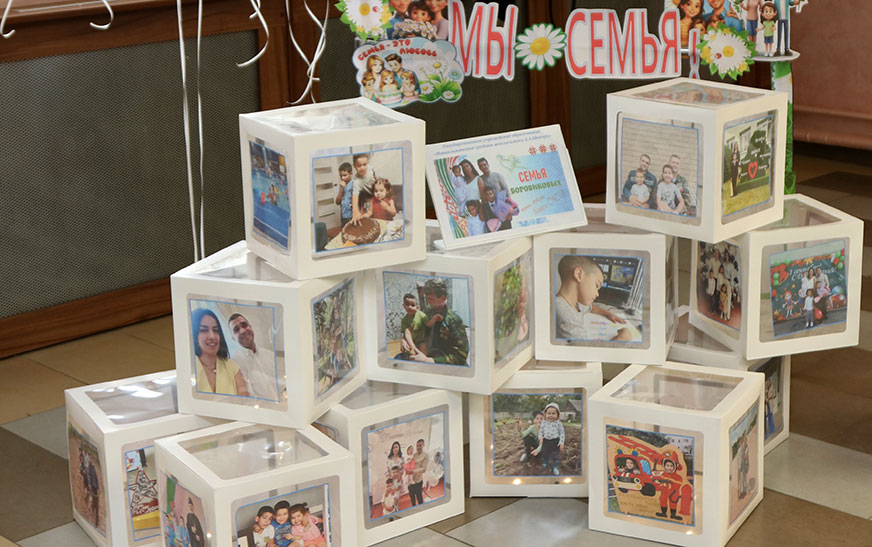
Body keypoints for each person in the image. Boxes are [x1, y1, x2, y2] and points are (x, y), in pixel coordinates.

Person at [554, 255, 632, 342]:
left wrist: (609, 314)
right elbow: (591, 350)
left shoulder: (572, 304)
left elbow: (591, 308)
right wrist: (623, 337)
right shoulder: (566, 317)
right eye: (596, 285)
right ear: (579, 275)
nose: (597, 294)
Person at [409, 279, 470, 365]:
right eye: (427, 299)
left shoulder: (454, 320)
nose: (428, 302)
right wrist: (405, 340)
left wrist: (430, 360)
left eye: (431, 299)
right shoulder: (427, 312)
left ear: (443, 298)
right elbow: (414, 328)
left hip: (445, 363)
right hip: (427, 354)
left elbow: (461, 356)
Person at [192, 308, 249, 396]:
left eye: (215, 330)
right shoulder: (190, 367)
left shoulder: (232, 366)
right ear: (195, 334)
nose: (212, 336)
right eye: (204, 330)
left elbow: (244, 399)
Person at [229, 313, 277, 401]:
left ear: (250, 327)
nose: (242, 331)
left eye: (244, 325)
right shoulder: (233, 365)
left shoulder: (271, 355)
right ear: (233, 338)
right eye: (236, 330)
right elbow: (247, 399)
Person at [531, 402, 565, 476]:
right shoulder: (544, 423)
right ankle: (545, 463)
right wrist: (540, 438)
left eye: (553, 413)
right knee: (545, 453)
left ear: (557, 415)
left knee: (555, 455)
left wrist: (561, 442)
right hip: (546, 441)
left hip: (555, 441)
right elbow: (541, 431)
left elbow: (562, 433)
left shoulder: (558, 423)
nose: (551, 415)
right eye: (549, 413)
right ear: (545, 414)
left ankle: (555, 466)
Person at [396, 293, 428, 360]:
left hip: (422, 340)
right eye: (407, 305)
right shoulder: (404, 320)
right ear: (404, 306)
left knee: (423, 346)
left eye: (412, 305)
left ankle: (423, 358)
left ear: (417, 307)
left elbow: (428, 324)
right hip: (412, 341)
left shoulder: (421, 315)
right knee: (406, 349)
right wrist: (404, 341)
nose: (410, 307)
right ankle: (412, 356)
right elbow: (406, 334)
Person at [654, 456, 686, 521]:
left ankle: (673, 515)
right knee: (663, 500)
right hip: (664, 492)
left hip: (673, 493)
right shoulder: (662, 475)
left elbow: (678, 484)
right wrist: (660, 485)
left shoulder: (678, 477)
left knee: (673, 503)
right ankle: (663, 513)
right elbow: (658, 485)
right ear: (664, 466)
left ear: (674, 467)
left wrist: (669, 482)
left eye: (671, 466)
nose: (669, 468)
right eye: (667, 466)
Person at [350, 153, 376, 225]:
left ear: (368, 163)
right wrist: (355, 212)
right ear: (354, 166)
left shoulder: (370, 168)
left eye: (365, 164)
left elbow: (375, 177)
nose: (362, 168)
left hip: (378, 195)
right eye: (359, 166)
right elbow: (355, 197)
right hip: (369, 199)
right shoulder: (356, 181)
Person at [409, 438, 430, 506]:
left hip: (418, 480)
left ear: (423, 445)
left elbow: (424, 469)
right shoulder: (414, 455)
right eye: (417, 445)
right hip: (410, 481)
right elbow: (410, 464)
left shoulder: (426, 455)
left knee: (419, 498)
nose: (418, 447)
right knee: (412, 499)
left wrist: (413, 471)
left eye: (420, 445)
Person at [334, 162, 354, 228]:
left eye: (345, 175)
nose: (342, 178)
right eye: (341, 176)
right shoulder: (341, 186)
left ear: (351, 174)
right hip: (344, 215)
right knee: (344, 230)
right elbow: (337, 202)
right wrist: (342, 189)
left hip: (353, 215)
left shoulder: (354, 184)